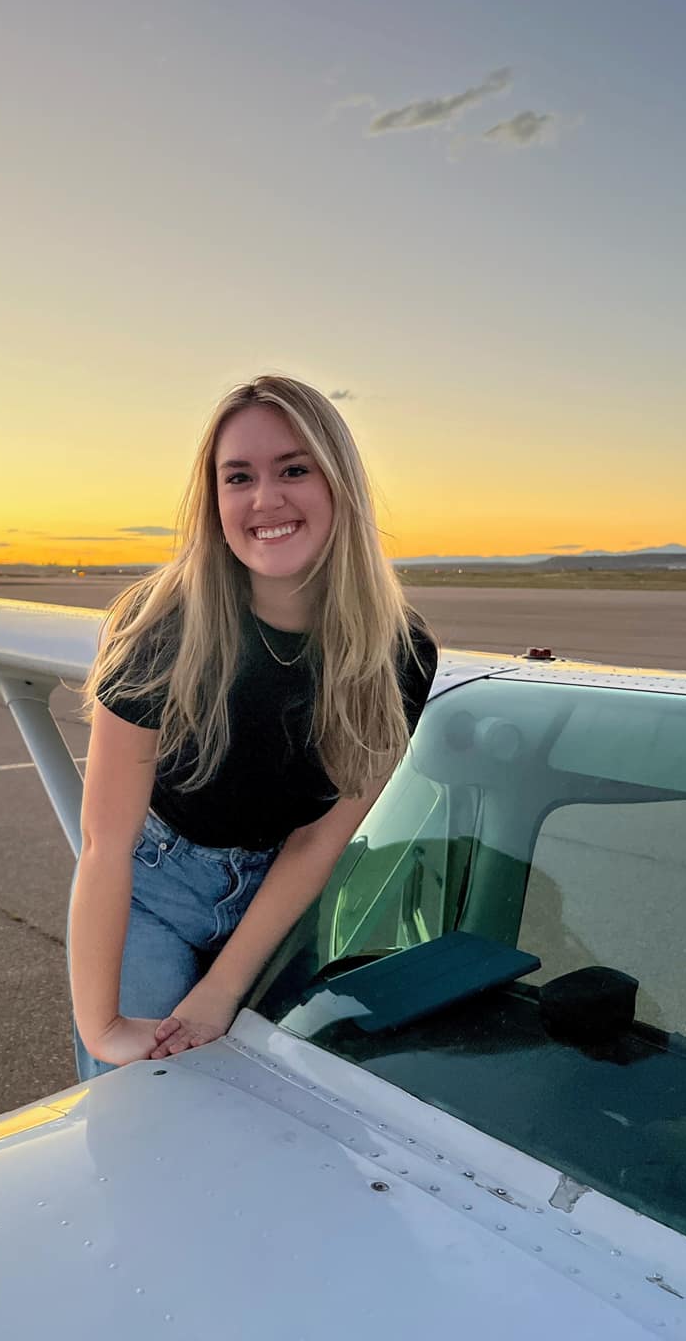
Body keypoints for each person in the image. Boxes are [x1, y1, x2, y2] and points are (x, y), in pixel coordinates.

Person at [68, 374, 439, 1079]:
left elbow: (318, 841)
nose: (265, 499)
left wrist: (221, 992)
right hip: (151, 889)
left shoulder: (399, 653)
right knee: (142, 1113)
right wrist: (103, 1027)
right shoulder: (162, 627)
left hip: (280, 900)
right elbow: (103, 844)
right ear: (214, 500)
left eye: (293, 469)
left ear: (339, 484)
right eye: (238, 477)